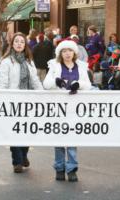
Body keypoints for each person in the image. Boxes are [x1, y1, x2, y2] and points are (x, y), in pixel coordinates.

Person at [43, 40, 91, 181]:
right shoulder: (55, 66)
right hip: (59, 108)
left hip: (75, 108)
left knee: (72, 139)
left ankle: (72, 169)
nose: (67, 53)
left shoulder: (81, 67)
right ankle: (59, 167)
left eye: (70, 50)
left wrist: (79, 84)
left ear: (74, 52)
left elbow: (88, 85)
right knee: (58, 138)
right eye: (64, 51)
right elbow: (46, 84)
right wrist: (55, 81)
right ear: (60, 53)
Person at [0, 32, 43, 173]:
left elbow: (35, 80)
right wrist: (1, 100)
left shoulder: (29, 62)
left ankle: (23, 154)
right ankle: (17, 161)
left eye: (22, 42)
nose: (19, 44)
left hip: (28, 103)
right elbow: (3, 83)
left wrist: (43, 96)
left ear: (25, 45)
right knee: (14, 131)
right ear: (12, 44)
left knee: (26, 131)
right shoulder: (7, 62)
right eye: (16, 41)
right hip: (13, 102)